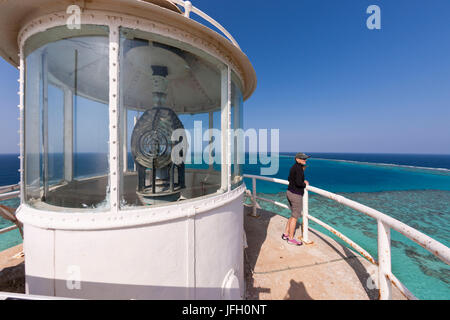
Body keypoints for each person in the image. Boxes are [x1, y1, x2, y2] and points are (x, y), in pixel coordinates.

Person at [283, 152, 310, 246]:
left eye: (305, 158)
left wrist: (302, 181)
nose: (305, 160)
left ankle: (286, 234)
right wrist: (304, 184)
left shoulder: (294, 167)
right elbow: (298, 183)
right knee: (295, 217)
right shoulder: (299, 169)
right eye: (303, 159)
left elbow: (290, 178)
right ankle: (290, 238)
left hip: (289, 192)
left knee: (292, 214)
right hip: (296, 195)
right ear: (297, 159)